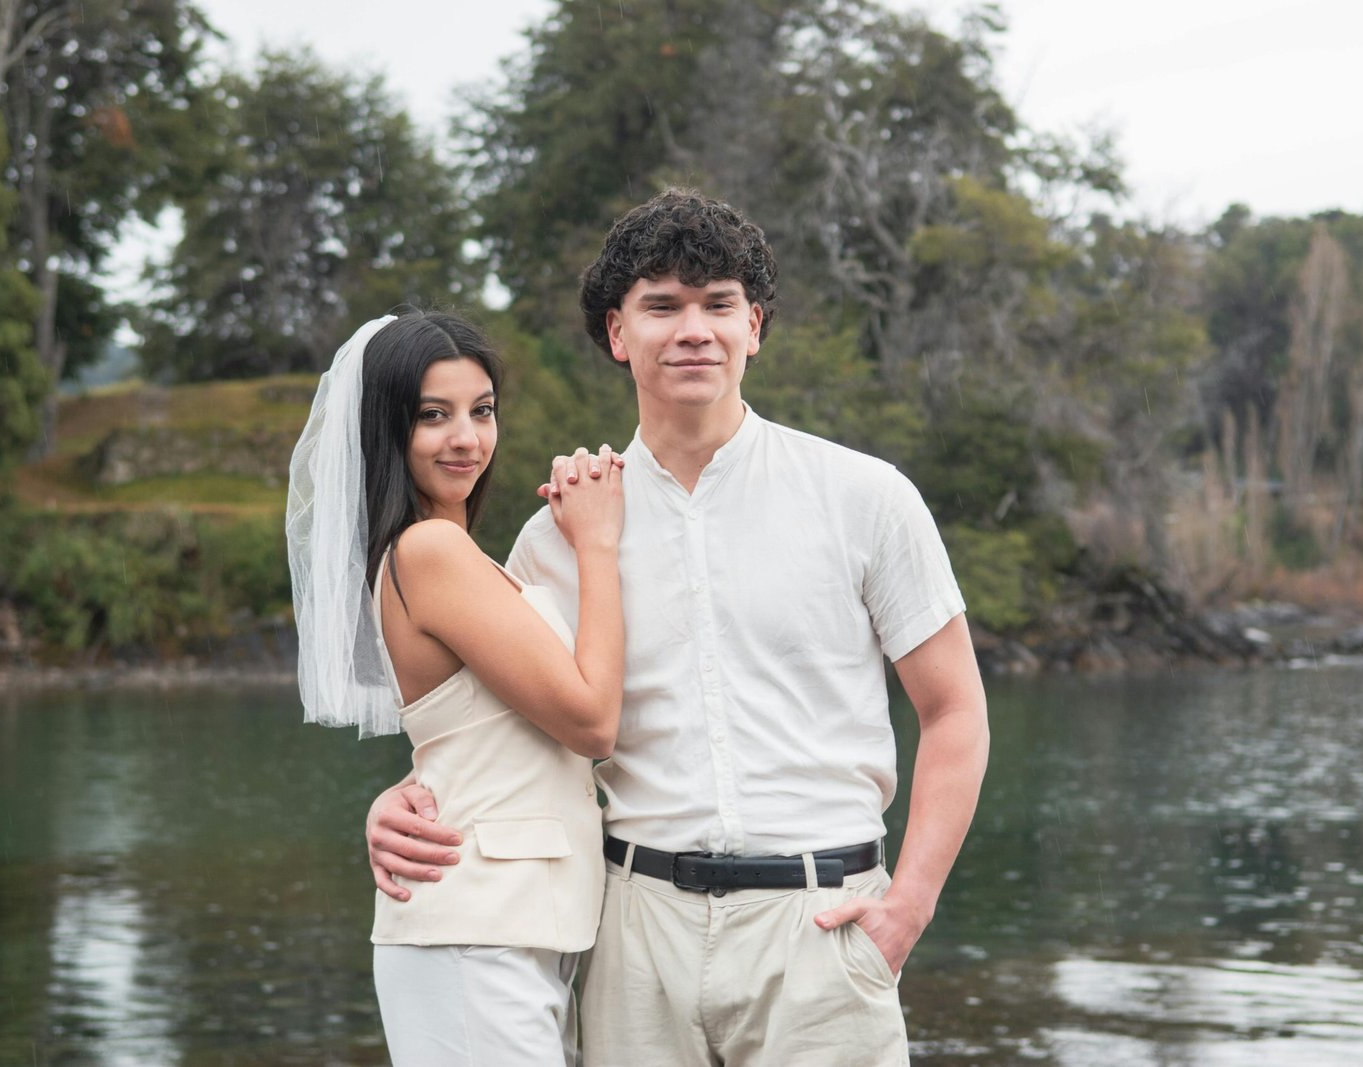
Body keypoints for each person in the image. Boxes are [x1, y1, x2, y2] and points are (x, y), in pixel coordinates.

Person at [365, 191, 990, 1066]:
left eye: (718, 303)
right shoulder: (559, 533)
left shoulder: (864, 496)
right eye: (662, 305)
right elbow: (500, 723)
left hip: (819, 922)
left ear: (755, 327)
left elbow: (955, 708)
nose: (692, 328)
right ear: (619, 334)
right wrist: (400, 801)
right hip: (632, 935)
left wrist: (909, 904)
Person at [286, 310, 626, 1066]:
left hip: (514, 926)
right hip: (472, 933)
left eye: (482, 411)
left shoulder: (454, 553)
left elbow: (476, 729)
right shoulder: (431, 550)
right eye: (432, 416)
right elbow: (593, 720)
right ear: (389, 431)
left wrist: (400, 787)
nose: (466, 437)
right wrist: (598, 542)